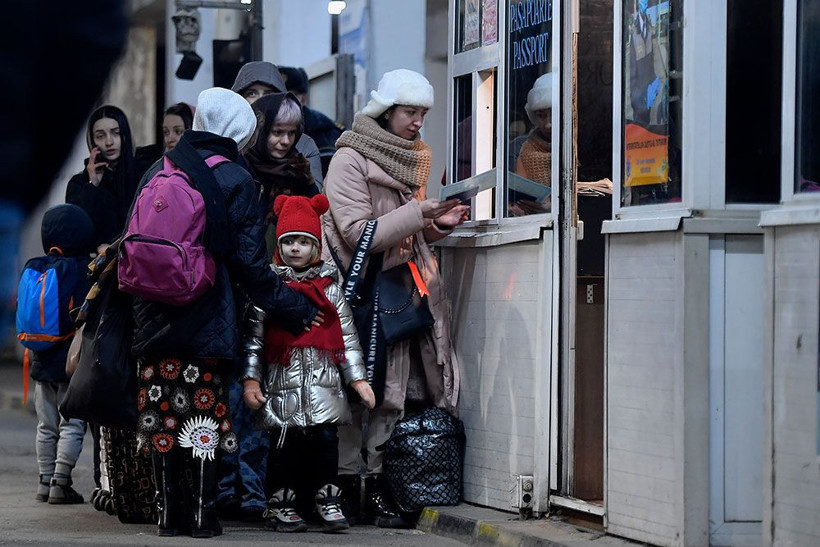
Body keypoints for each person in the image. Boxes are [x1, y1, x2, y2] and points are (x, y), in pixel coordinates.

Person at [131, 87, 322, 539]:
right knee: (202, 415)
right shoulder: (234, 178)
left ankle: (167, 517)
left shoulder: (159, 169)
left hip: (152, 314)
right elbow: (251, 266)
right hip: (206, 315)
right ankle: (202, 516)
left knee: (163, 414)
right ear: (238, 131)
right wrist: (295, 306)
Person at [322, 68, 468, 527]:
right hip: (358, 295)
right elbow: (355, 232)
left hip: (399, 293)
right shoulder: (349, 157)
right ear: (385, 112)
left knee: (394, 393)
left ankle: (381, 485)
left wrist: (435, 224)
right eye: (410, 112)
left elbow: (404, 228)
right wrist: (416, 214)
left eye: (423, 113)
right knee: (353, 393)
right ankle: (348, 488)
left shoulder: (414, 157)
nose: (418, 122)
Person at [242, 194, 375, 533]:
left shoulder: (331, 290)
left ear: (316, 247)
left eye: (304, 241)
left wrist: (357, 379)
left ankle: (326, 499)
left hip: (324, 384)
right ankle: (281, 503)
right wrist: (251, 380)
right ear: (279, 246)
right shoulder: (270, 290)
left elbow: (347, 338)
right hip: (281, 385)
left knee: (325, 446)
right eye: (289, 242)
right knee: (284, 449)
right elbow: (254, 341)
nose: (296, 249)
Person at [216, 92, 321, 523]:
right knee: (232, 396)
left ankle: (258, 492)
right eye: (277, 131)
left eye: (291, 133)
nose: (283, 141)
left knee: (263, 399)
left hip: (281, 298)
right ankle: (226, 488)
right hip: (238, 298)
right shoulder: (239, 171)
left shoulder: (300, 175)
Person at [23, 204, 94, 505]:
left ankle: (43, 480)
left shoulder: (36, 266)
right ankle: (61, 482)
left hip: (40, 362)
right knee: (72, 424)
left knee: (46, 425)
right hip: (69, 364)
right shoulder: (80, 270)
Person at [231, 61, 324, 186]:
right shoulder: (229, 139)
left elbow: (314, 198)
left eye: (268, 93)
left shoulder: (303, 145)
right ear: (240, 97)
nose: (260, 99)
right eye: (252, 93)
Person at [65, 105, 139, 253]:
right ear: (92, 142)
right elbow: (76, 232)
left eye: (115, 133)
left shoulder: (142, 176)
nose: (109, 142)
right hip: (94, 265)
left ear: (125, 136)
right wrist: (93, 184)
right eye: (100, 136)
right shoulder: (79, 184)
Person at [279, 66, 345, 177]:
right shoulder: (258, 129)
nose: (283, 102)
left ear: (303, 99)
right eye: (277, 95)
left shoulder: (323, 131)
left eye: (290, 96)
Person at [511, 72, 553, 216]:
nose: (548, 124)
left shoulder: (584, 147)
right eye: (541, 115)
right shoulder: (526, 151)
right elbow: (520, 199)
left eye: (554, 114)